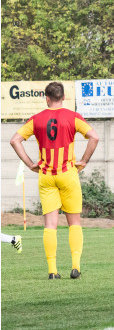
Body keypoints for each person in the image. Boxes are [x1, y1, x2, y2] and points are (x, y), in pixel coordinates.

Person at [10, 82, 99, 280]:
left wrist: (31, 163)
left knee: (50, 225)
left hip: (46, 176)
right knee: (74, 222)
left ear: (47, 98)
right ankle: (75, 267)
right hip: (68, 173)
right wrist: (84, 160)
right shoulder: (73, 117)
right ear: (64, 97)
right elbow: (94, 137)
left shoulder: (36, 119)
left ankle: (52, 271)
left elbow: (14, 140)